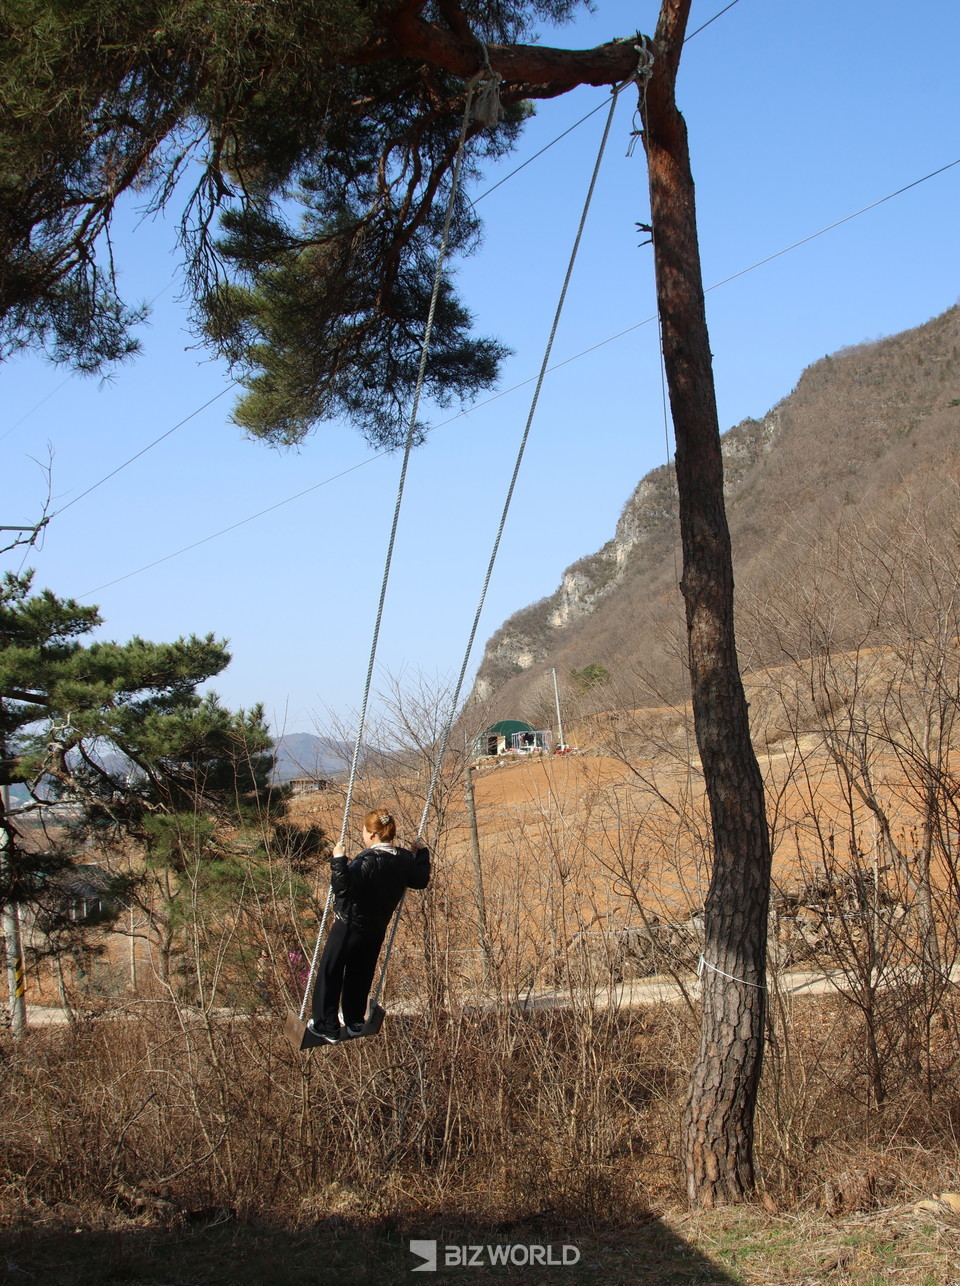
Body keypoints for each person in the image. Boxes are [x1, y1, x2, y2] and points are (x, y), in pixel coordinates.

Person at [306, 808, 430, 1044]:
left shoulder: (367, 860)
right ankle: (354, 1020)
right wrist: (422, 854)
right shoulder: (404, 859)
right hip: (376, 928)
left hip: (349, 926)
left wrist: (338, 860)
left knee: (331, 971)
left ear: (372, 834)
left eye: (364, 830)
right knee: (360, 972)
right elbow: (420, 880)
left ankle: (326, 1025)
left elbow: (343, 889)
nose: (363, 834)